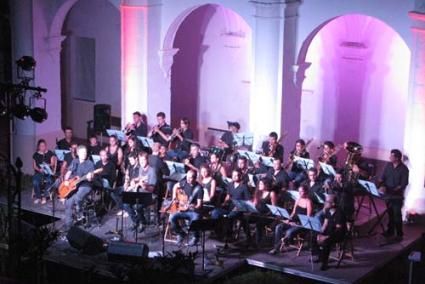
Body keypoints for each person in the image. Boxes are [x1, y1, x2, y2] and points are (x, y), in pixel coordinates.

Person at [211, 169, 253, 245]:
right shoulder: (230, 184)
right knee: (215, 212)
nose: (234, 177)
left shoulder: (244, 187)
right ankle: (218, 232)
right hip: (230, 207)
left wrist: (240, 207)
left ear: (240, 176)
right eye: (233, 175)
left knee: (230, 216)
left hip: (239, 210)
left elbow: (248, 202)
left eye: (236, 175)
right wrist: (224, 202)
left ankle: (229, 235)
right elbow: (228, 196)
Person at [269, 184, 313, 255]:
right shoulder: (298, 200)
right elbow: (293, 212)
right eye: (299, 191)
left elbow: (308, 217)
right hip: (293, 222)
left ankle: (283, 242)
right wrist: (289, 220)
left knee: (289, 232)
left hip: (301, 224)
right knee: (278, 227)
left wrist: (296, 224)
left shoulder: (308, 202)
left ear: (306, 192)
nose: (300, 193)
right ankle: (276, 247)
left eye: (301, 191)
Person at [378, 149, 409, 240]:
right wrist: (381, 186)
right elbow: (382, 178)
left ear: (397, 158)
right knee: (390, 214)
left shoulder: (404, 169)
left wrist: (393, 191)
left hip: (397, 196)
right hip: (387, 195)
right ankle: (390, 231)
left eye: (392, 156)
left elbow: (403, 184)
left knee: (397, 215)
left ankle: (399, 235)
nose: (389, 157)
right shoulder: (388, 165)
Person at [63, 145, 95, 230]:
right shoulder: (74, 161)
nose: (84, 154)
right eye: (82, 152)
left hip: (85, 185)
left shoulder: (90, 163)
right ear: (78, 153)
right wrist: (66, 180)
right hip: (74, 185)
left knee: (78, 197)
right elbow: (68, 172)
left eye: (85, 152)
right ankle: (68, 226)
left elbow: (91, 178)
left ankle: (80, 214)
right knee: (68, 203)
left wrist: (90, 176)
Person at [124, 152, 157, 232]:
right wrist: (134, 180)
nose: (141, 163)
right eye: (140, 161)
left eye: (143, 161)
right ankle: (135, 221)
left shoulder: (152, 171)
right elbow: (140, 177)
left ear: (147, 160)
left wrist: (145, 186)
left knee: (137, 206)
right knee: (125, 203)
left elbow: (152, 189)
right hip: (140, 192)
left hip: (149, 195)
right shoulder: (141, 168)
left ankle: (143, 222)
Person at [169, 170, 204, 246]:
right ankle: (181, 233)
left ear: (194, 178)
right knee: (171, 217)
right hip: (182, 209)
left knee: (196, 218)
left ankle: (195, 237)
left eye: (190, 178)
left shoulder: (199, 189)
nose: (187, 179)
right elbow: (175, 186)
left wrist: (193, 206)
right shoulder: (184, 182)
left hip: (193, 211)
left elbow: (199, 205)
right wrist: (174, 196)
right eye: (187, 177)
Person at [316, 197, 347, 270]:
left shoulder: (340, 213)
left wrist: (326, 237)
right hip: (329, 231)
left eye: (327, 201)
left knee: (326, 242)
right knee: (313, 237)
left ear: (333, 203)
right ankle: (321, 257)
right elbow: (325, 224)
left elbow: (338, 230)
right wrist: (320, 233)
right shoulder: (327, 210)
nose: (325, 203)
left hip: (338, 234)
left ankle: (325, 263)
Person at [253, 178, 278, 245]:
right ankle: (249, 238)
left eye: (261, 184)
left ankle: (258, 242)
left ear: (266, 185)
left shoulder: (271, 193)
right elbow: (254, 204)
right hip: (257, 213)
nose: (259, 185)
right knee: (245, 219)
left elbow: (274, 208)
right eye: (259, 184)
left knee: (259, 223)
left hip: (267, 215)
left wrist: (266, 214)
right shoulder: (258, 192)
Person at [32, 139, 56, 204]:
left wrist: (47, 165)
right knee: (35, 181)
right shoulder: (35, 154)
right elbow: (34, 166)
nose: (43, 147)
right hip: (39, 172)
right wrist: (39, 169)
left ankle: (44, 197)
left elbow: (53, 163)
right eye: (41, 146)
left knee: (49, 181)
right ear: (38, 147)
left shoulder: (49, 153)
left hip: (48, 172)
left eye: (44, 145)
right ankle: (38, 197)